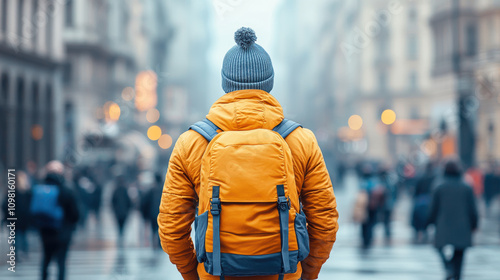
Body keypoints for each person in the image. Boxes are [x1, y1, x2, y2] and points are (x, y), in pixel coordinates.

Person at [158, 27, 339, 280]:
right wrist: (305, 274)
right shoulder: (301, 140)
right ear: (270, 83)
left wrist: (193, 274)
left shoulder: (191, 142)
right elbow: (325, 223)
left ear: (225, 83)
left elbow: (171, 228)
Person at [428, 159, 478, 280]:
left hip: (443, 223)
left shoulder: (439, 186)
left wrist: (429, 222)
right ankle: (456, 274)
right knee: (460, 252)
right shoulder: (466, 186)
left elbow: (433, 207)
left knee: (439, 247)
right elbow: (473, 208)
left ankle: (448, 267)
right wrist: (474, 223)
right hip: (463, 224)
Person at [34, 161, 80, 280]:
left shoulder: (40, 188)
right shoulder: (66, 189)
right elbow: (75, 213)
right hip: (63, 231)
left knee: (46, 259)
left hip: (46, 231)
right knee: (61, 262)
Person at [2, 171, 32, 258]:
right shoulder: (26, 192)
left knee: (17, 236)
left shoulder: (24, 192)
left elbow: (6, 205)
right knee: (21, 236)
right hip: (20, 218)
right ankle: (22, 252)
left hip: (16, 218)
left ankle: (18, 253)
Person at [411, 161, 435, 243]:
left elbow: (416, 189)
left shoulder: (420, 176)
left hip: (421, 199)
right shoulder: (435, 177)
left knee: (418, 217)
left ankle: (419, 232)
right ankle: (425, 231)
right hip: (429, 199)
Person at [141, 173, 164, 249]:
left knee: (153, 229)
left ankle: (154, 244)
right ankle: (159, 244)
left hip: (152, 214)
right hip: (162, 214)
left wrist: (145, 215)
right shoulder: (164, 190)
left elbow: (144, 202)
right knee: (160, 229)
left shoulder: (151, 190)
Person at [112, 176, 133, 246]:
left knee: (119, 224)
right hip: (124, 212)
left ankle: (120, 233)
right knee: (123, 224)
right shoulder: (125, 190)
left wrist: (114, 209)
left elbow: (112, 201)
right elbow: (129, 201)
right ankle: (121, 233)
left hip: (118, 212)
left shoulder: (116, 190)